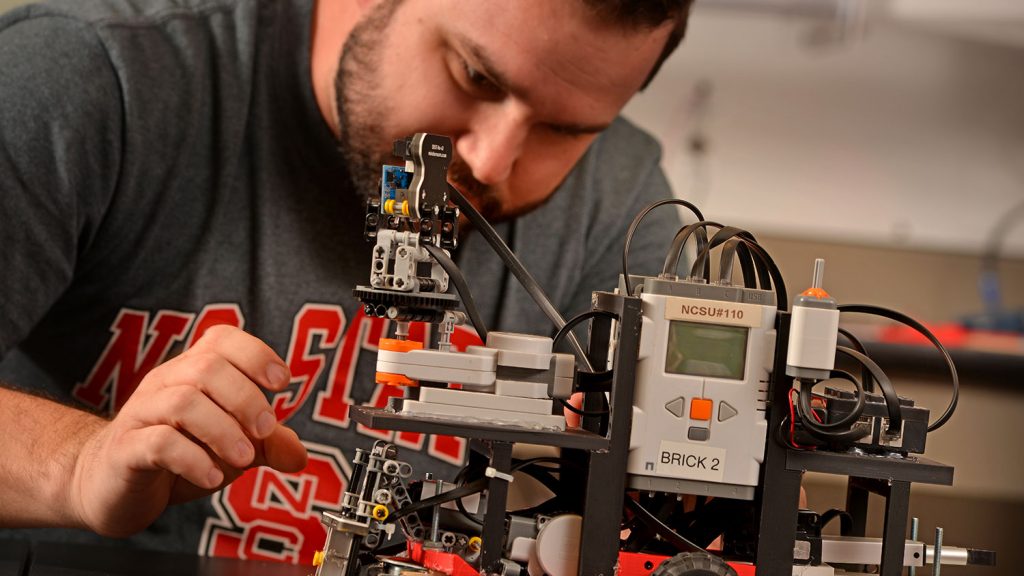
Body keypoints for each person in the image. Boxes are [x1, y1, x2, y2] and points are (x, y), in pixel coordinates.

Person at [0, 0, 693, 565]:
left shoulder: (620, 203)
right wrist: (77, 466)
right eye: (476, 76)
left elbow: (678, 507)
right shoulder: (91, 76)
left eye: (564, 130)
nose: (490, 161)